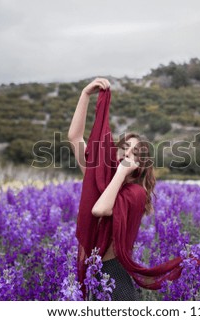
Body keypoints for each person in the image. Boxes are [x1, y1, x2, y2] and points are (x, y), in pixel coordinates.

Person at [68, 78, 189, 301]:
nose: (127, 154)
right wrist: (85, 94)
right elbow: (75, 138)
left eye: (135, 154)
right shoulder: (102, 179)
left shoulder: (136, 193)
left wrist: (122, 172)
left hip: (114, 274)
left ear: (141, 164)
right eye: (124, 148)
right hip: (92, 272)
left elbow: (100, 210)